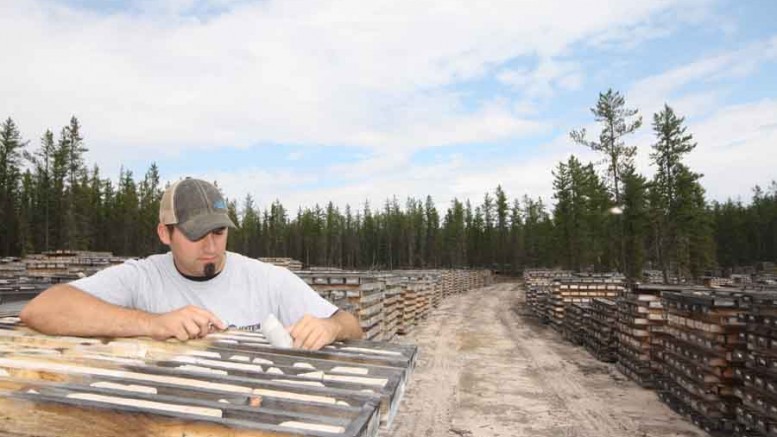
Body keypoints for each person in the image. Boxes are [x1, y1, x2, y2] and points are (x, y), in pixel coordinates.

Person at [20, 178, 363, 350]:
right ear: (164, 234)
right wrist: (154, 323)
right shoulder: (142, 278)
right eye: (197, 234)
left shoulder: (269, 280)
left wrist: (331, 328)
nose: (211, 246)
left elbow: (352, 326)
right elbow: (42, 309)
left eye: (219, 232)